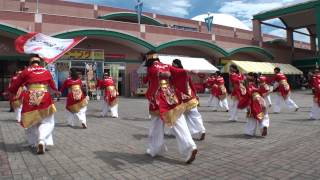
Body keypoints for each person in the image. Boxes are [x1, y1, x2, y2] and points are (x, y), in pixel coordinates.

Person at [144, 52, 197, 164]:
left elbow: (157, 73)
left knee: (156, 127)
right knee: (180, 124)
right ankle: (190, 146)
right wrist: (189, 71)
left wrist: (163, 74)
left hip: (159, 101)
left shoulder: (152, 68)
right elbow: (178, 71)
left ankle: (155, 150)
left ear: (148, 61)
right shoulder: (167, 65)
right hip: (172, 98)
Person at [8, 55, 60, 154]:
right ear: (39, 63)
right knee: (47, 121)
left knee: (31, 121)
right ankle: (41, 139)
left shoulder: (26, 71)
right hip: (44, 95)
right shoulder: (46, 71)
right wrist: (56, 91)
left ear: (30, 63)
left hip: (30, 96)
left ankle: (34, 142)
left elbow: (15, 85)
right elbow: (52, 85)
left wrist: (11, 92)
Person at [171, 59, 206, 140]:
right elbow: (191, 85)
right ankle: (201, 130)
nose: (172, 66)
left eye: (173, 64)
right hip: (191, 97)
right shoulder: (186, 73)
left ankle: (176, 132)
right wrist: (196, 95)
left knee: (178, 116)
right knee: (195, 115)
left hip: (180, 99)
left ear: (175, 65)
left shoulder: (173, 74)